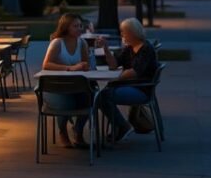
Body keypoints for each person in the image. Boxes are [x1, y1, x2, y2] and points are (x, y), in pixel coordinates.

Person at [97, 17, 158, 143]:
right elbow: (113, 65)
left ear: (132, 32)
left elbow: (134, 72)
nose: (122, 35)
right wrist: (106, 49)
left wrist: (115, 77)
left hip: (141, 90)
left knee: (102, 96)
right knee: (100, 95)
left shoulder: (146, 49)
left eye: (123, 32)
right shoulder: (129, 48)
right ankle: (119, 127)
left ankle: (122, 126)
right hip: (129, 86)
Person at [40, 13, 91, 148]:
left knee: (92, 99)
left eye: (80, 25)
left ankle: (78, 131)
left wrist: (85, 65)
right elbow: (46, 65)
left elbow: (86, 64)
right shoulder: (57, 43)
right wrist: (70, 68)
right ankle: (63, 131)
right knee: (66, 104)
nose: (79, 28)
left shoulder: (82, 43)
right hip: (55, 88)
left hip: (76, 86)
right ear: (66, 27)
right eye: (75, 26)